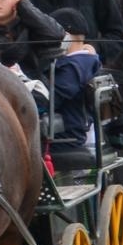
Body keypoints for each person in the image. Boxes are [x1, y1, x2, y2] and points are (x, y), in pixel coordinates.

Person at [46, 8, 102, 152]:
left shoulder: (75, 67)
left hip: (67, 137)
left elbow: (50, 100)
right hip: (68, 132)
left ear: (65, 37)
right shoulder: (83, 61)